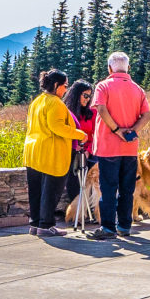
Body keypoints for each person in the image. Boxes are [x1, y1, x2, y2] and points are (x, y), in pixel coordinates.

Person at [88, 51, 149, 240]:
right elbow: (147, 115)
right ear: (128, 68)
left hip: (108, 147)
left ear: (109, 68)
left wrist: (116, 130)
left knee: (108, 188)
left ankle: (108, 228)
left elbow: (101, 108)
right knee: (126, 189)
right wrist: (132, 131)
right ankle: (124, 226)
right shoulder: (138, 89)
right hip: (130, 148)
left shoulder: (103, 86)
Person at [23, 70, 85, 236]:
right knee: (51, 191)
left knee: (36, 191)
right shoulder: (55, 103)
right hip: (51, 154)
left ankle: (35, 224)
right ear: (56, 85)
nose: (66, 89)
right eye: (65, 85)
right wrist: (81, 135)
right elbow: (57, 127)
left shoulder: (37, 101)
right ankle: (46, 225)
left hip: (33, 152)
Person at [60, 79, 97, 221]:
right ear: (76, 95)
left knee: (91, 182)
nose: (88, 100)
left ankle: (92, 211)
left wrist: (87, 149)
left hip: (88, 153)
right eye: (85, 96)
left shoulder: (92, 113)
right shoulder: (66, 111)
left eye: (90, 96)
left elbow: (95, 135)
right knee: (73, 182)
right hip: (70, 152)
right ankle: (79, 214)